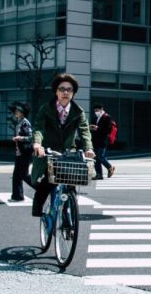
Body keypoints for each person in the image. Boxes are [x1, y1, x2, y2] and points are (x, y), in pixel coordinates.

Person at [29, 73, 96, 220]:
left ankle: (68, 216)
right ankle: (38, 208)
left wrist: (89, 148)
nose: (65, 92)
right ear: (56, 91)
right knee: (47, 182)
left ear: (73, 93)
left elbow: (84, 131)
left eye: (69, 89)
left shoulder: (78, 112)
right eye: (61, 89)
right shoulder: (46, 109)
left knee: (71, 183)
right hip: (48, 151)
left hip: (68, 152)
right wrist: (37, 144)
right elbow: (39, 128)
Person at [9, 103, 34, 202]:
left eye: (18, 111)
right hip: (19, 152)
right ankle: (17, 196)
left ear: (23, 113)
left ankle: (42, 188)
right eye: (16, 110)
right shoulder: (19, 122)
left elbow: (31, 137)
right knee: (16, 176)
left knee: (24, 175)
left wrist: (20, 138)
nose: (16, 112)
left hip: (25, 152)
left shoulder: (25, 123)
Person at [89, 103, 115, 179]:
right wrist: (91, 127)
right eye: (95, 111)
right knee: (95, 158)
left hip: (103, 140)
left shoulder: (106, 117)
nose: (96, 112)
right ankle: (99, 174)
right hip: (95, 140)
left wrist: (97, 128)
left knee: (100, 156)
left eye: (97, 110)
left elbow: (108, 130)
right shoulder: (95, 118)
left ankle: (109, 167)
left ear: (101, 109)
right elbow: (93, 128)